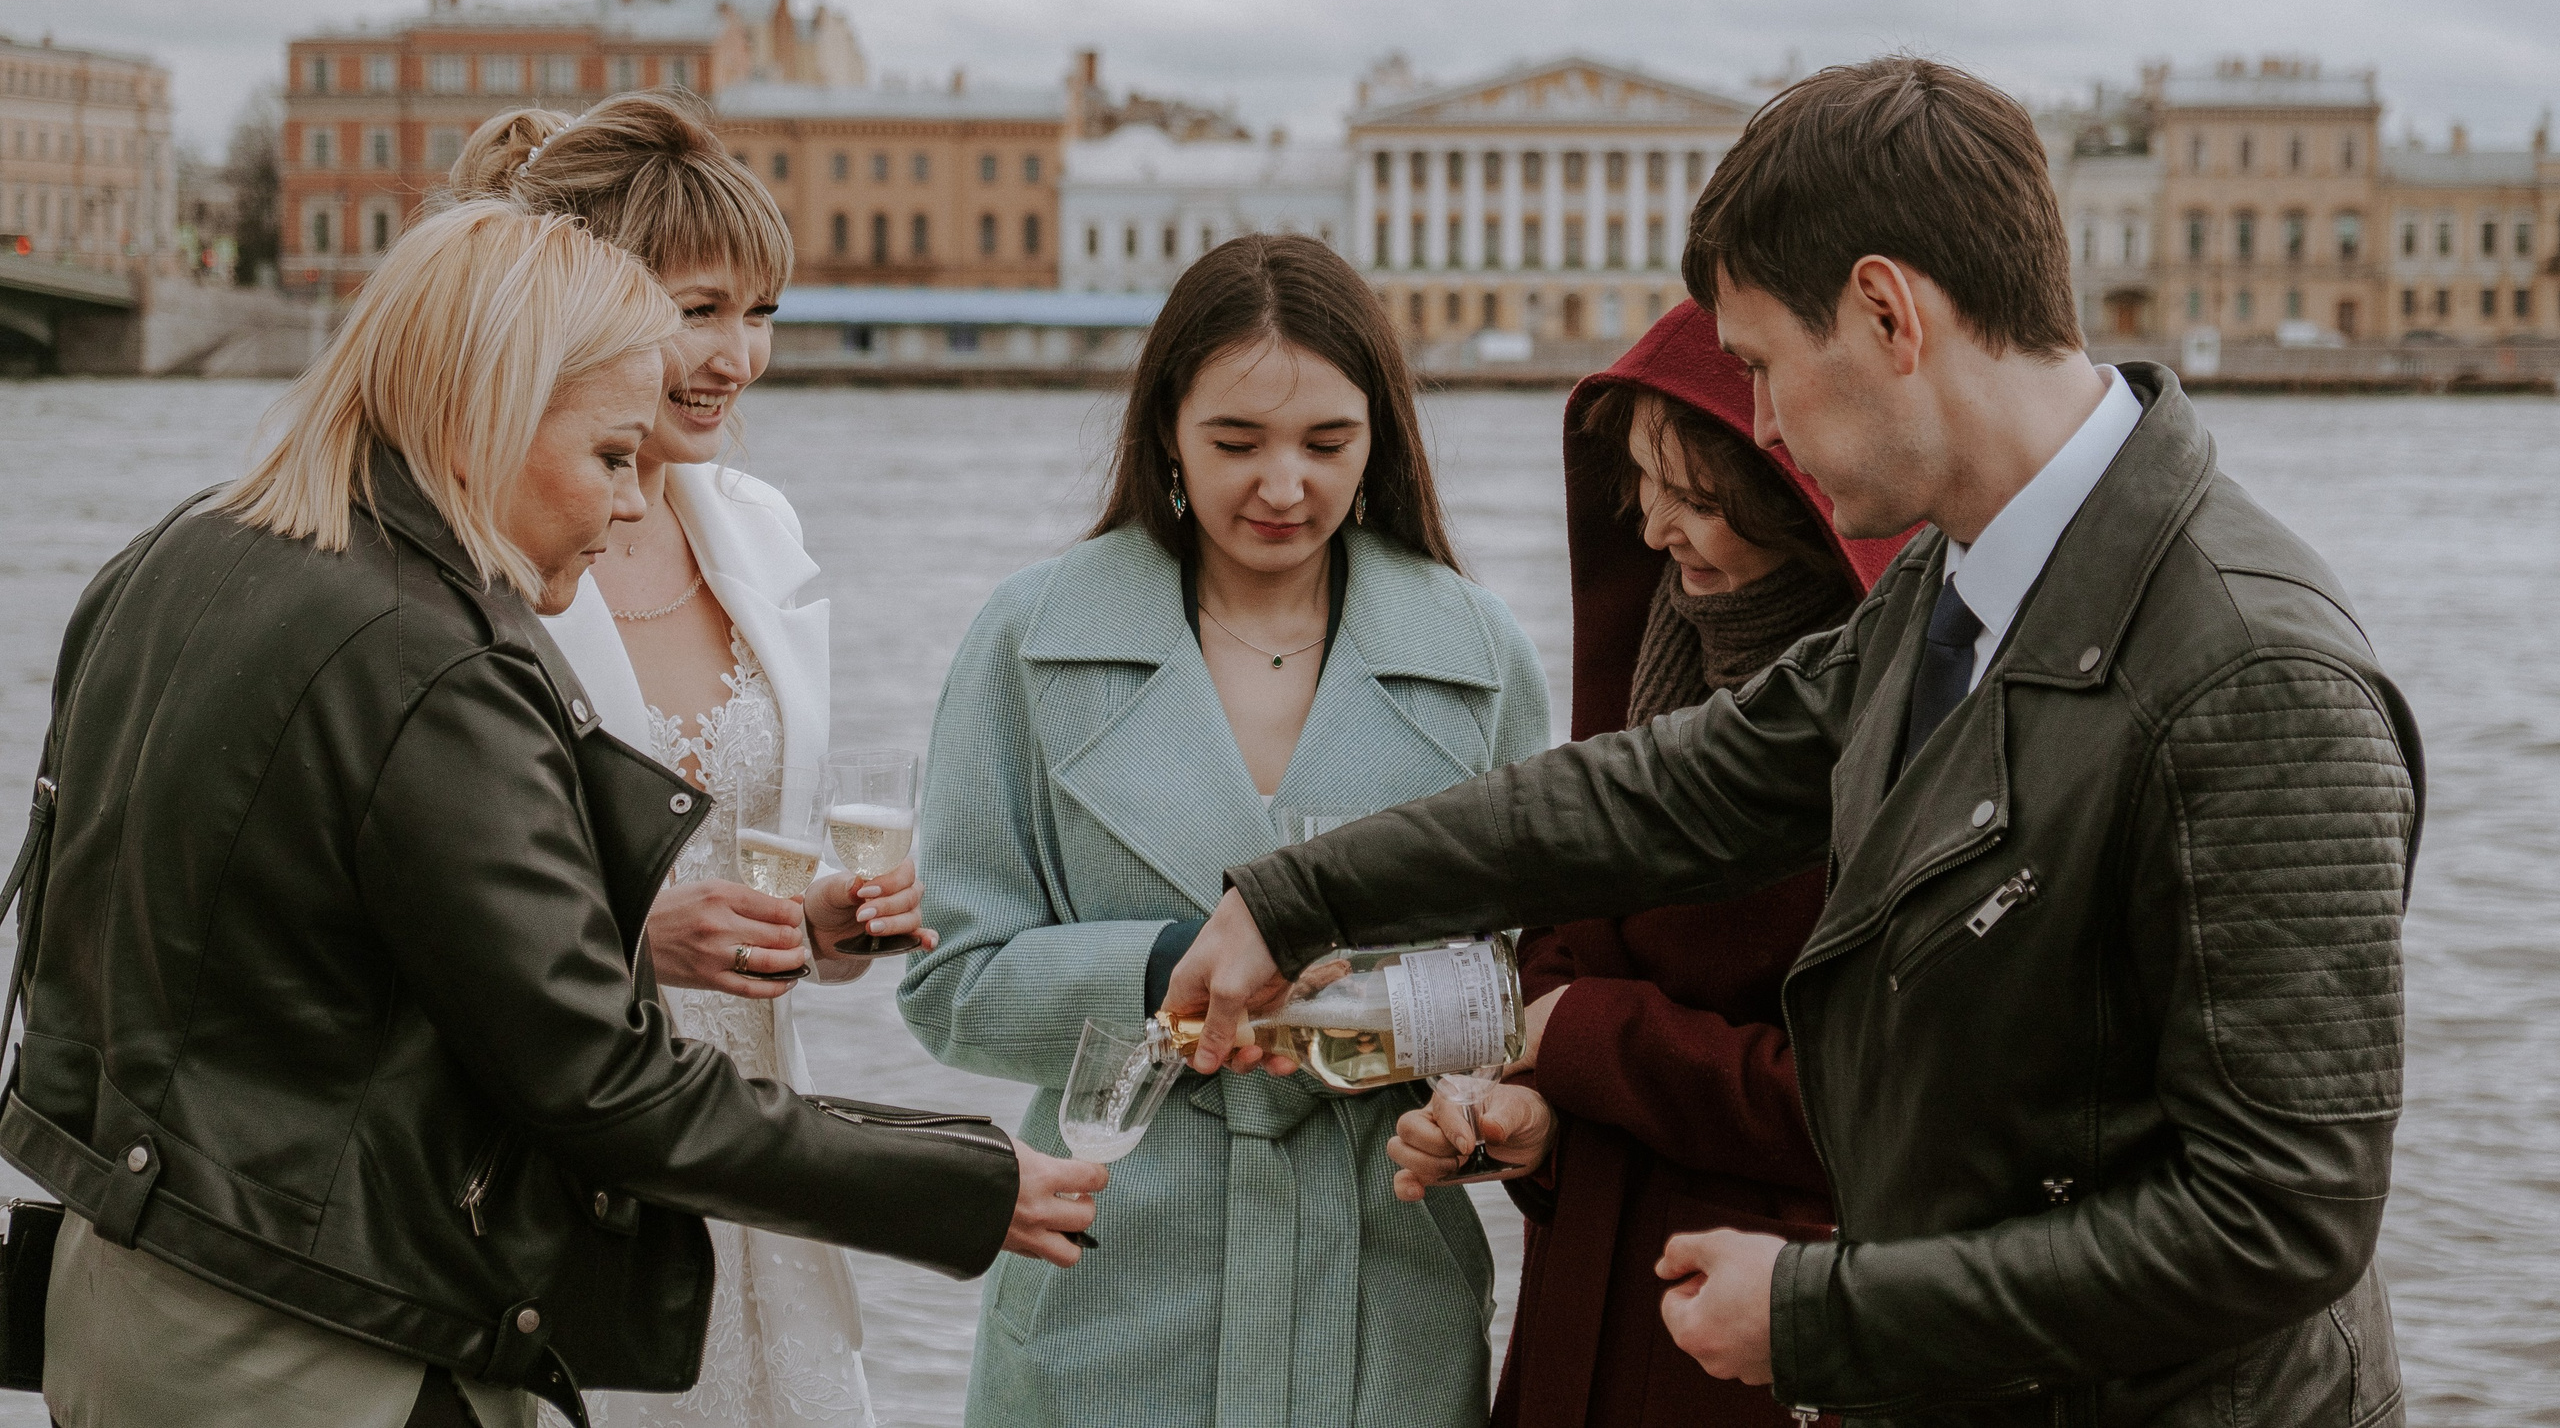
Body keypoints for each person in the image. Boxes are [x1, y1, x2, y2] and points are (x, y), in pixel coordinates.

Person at [1170, 59, 2422, 1426]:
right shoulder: (1956, 590)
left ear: (1888, 311)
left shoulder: (2259, 672)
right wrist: (1294, 896)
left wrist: (1825, 1312)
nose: (1754, 421)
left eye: (1762, 362)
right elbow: (1669, 791)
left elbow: (2281, 1222)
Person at [5, 202, 1101, 1428]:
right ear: (485, 416)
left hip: (122, 1293)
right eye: (613, 456)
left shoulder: (174, 554)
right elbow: (601, 1082)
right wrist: (959, 1185)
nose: (636, 504)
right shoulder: (436, 662)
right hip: (330, 1343)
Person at [898, 234, 1551, 1428]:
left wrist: (1474, 1106)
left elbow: (1518, 978)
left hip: (1380, 1277)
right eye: (1236, 443)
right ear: (1165, 435)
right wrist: (1175, 970)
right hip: (1113, 1274)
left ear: (1382, 441)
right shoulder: (1028, 641)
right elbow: (950, 986)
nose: (1284, 486)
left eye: (1327, 443)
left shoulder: (1478, 656)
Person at [447, 95, 908, 1427]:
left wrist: (822, 927)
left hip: (755, 1126)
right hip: (554, 1142)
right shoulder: (475, 552)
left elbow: (753, 864)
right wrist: (645, 949)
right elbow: (422, 899)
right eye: (701, 308)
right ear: (578, 296)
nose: (741, 357)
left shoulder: (757, 524)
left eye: (762, 312)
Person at [1387, 298, 1907, 1428]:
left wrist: (1583, 1041)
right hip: (1590, 1307)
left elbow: (1882, 1104)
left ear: (1793, 490)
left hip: (1773, 1331)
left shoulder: (1898, 735)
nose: (1659, 528)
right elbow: (1557, 960)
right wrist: (1535, 1127)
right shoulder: (1643, 676)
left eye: (1698, 497)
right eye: (1641, 486)